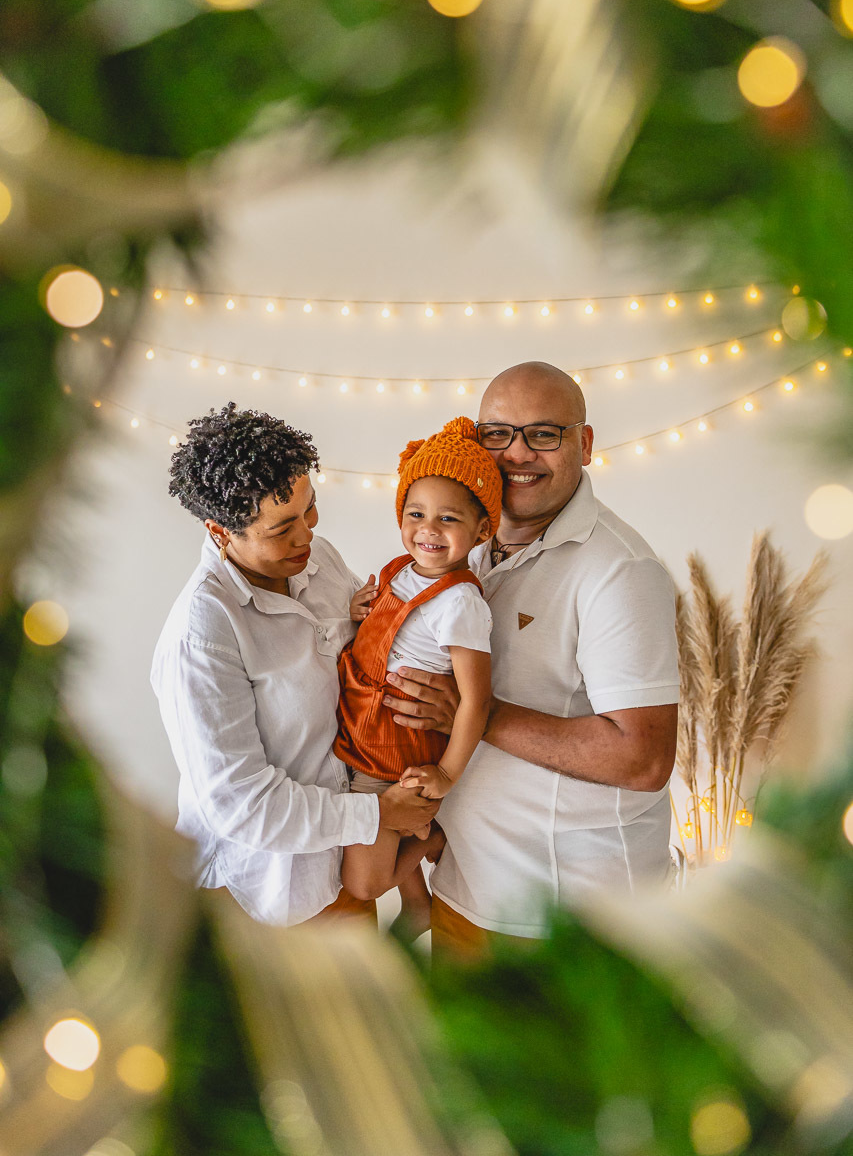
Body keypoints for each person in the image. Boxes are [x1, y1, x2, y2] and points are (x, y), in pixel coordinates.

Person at [386, 363, 680, 956]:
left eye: (544, 434)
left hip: (570, 919)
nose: (517, 453)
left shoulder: (619, 571)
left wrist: (475, 713)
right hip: (465, 889)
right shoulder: (464, 543)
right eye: (497, 434)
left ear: (584, 444)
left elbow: (643, 758)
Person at [151, 403, 437, 927]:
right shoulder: (203, 635)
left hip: (345, 869)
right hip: (266, 899)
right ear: (220, 532)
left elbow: (373, 656)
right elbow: (241, 804)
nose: (306, 534)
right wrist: (378, 813)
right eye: (282, 528)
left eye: (311, 508)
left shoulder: (318, 559)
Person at [334, 417, 502, 938]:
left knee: (362, 883)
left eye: (448, 518)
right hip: (359, 730)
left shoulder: (461, 603)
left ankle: (432, 837)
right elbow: (388, 631)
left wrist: (446, 775)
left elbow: (475, 700)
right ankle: (417, 902)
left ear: (482, 530)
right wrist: (362, 610)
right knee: (378, 837)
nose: (428, 529)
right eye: (416, 514)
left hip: (396, 750)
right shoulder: (398, 571)